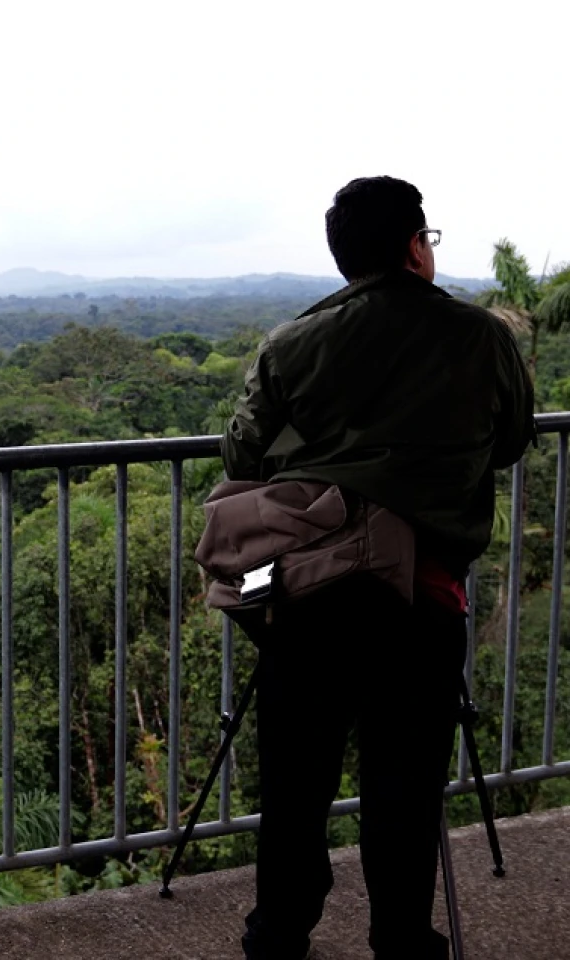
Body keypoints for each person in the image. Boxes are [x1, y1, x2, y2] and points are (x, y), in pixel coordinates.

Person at [222, 176, 536, 959]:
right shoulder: (480, 336)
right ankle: (401, 938)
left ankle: (278, 934)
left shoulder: (292, 343)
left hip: (309, 596)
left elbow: (242, 454)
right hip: (422, 595)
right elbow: (511, 439)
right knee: (406, 784)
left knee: (295, 781)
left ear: (343, 258)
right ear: (415, 247)